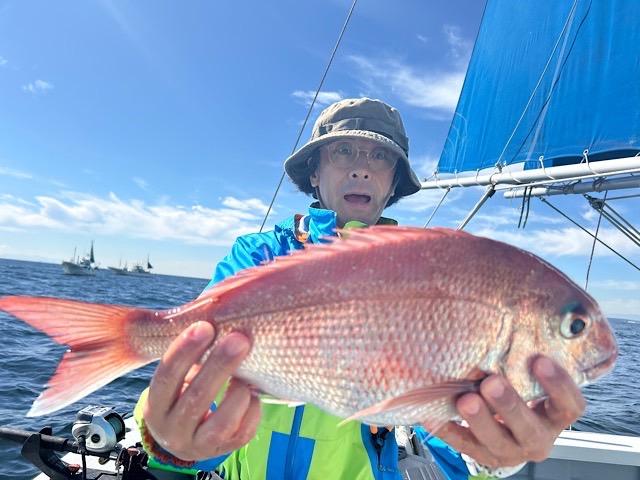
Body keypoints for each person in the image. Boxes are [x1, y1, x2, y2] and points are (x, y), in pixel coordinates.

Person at [133, 98, 587, 479]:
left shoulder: (422, 275)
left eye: (380, 157)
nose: (362, 169)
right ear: (314, 172)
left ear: (393, 183)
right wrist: (173, 446)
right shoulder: (259, 255)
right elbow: (197, 379)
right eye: (344, 151)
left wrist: (488, 455)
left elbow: (438, 424)